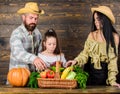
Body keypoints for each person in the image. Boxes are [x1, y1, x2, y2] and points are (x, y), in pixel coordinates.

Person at [66, 6, 120, 88]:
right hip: (90, 74)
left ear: (105, 19)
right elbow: (85, 54)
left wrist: (112, 80)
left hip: (105, 77)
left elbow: (113, 61)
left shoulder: (114, 37)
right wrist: (75, 61)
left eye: (98, 19)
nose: (95, 22)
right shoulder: (91, 35)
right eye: (94, 19)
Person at [9, 2, 47, 73]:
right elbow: (18, 52)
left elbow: (40, 53)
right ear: (23, 17)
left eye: (36, 18)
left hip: (32, 77)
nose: (33, 21)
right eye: (31, 18)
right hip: (17, 77)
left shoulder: (37, 33)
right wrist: (34, 59)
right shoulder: (16, 33)